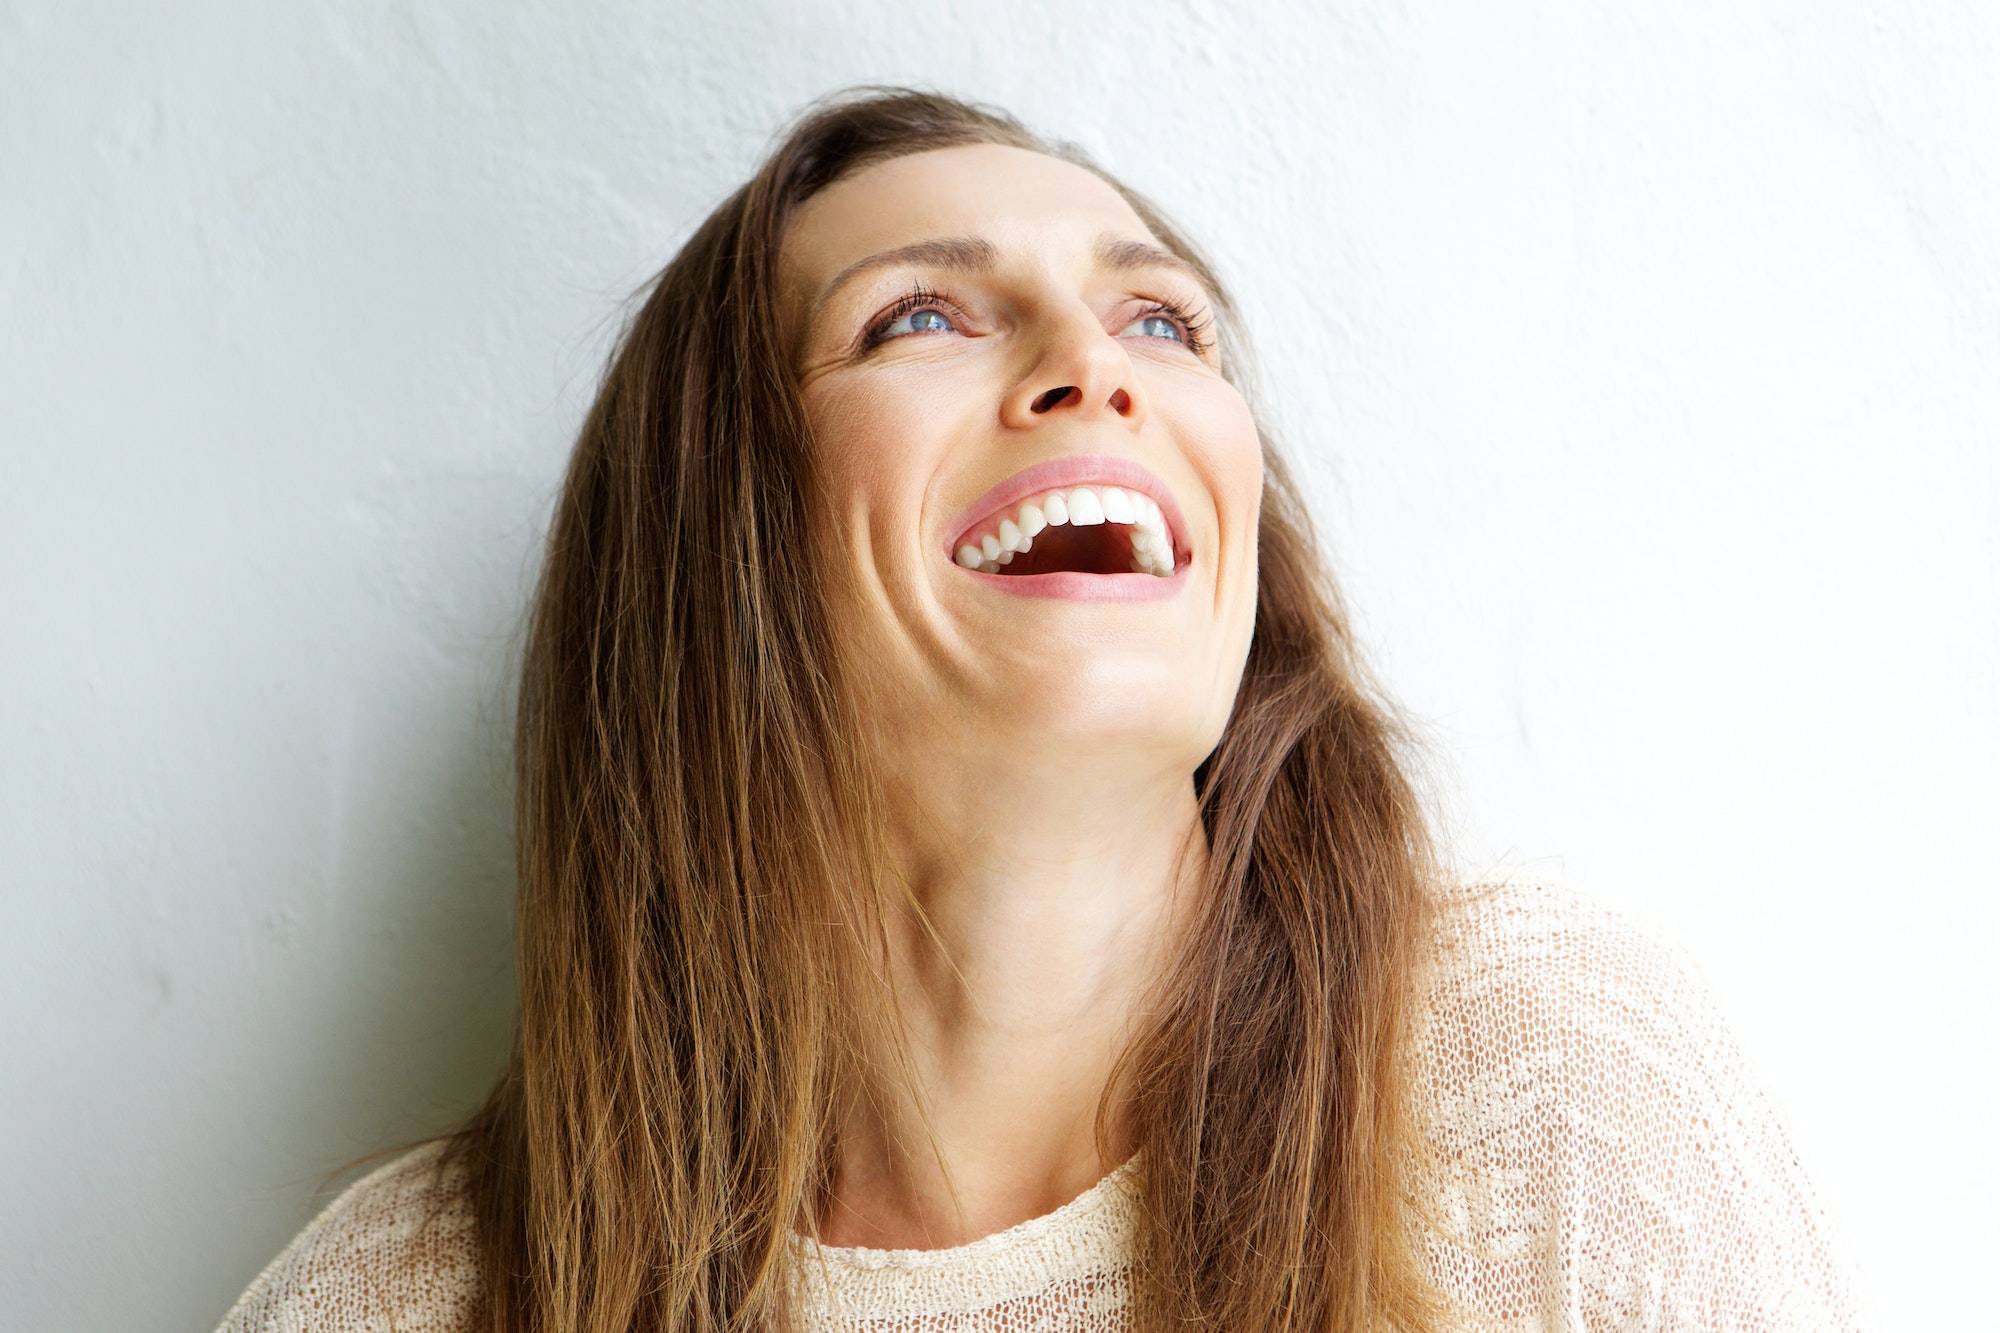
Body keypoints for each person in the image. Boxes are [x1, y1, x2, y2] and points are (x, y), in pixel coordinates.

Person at [215, 89, 1870, 1332]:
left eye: (1162, 317)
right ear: (720, 549)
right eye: (919, 315)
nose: (1098, 362)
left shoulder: (1547, 1086)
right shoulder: (409, 1301)